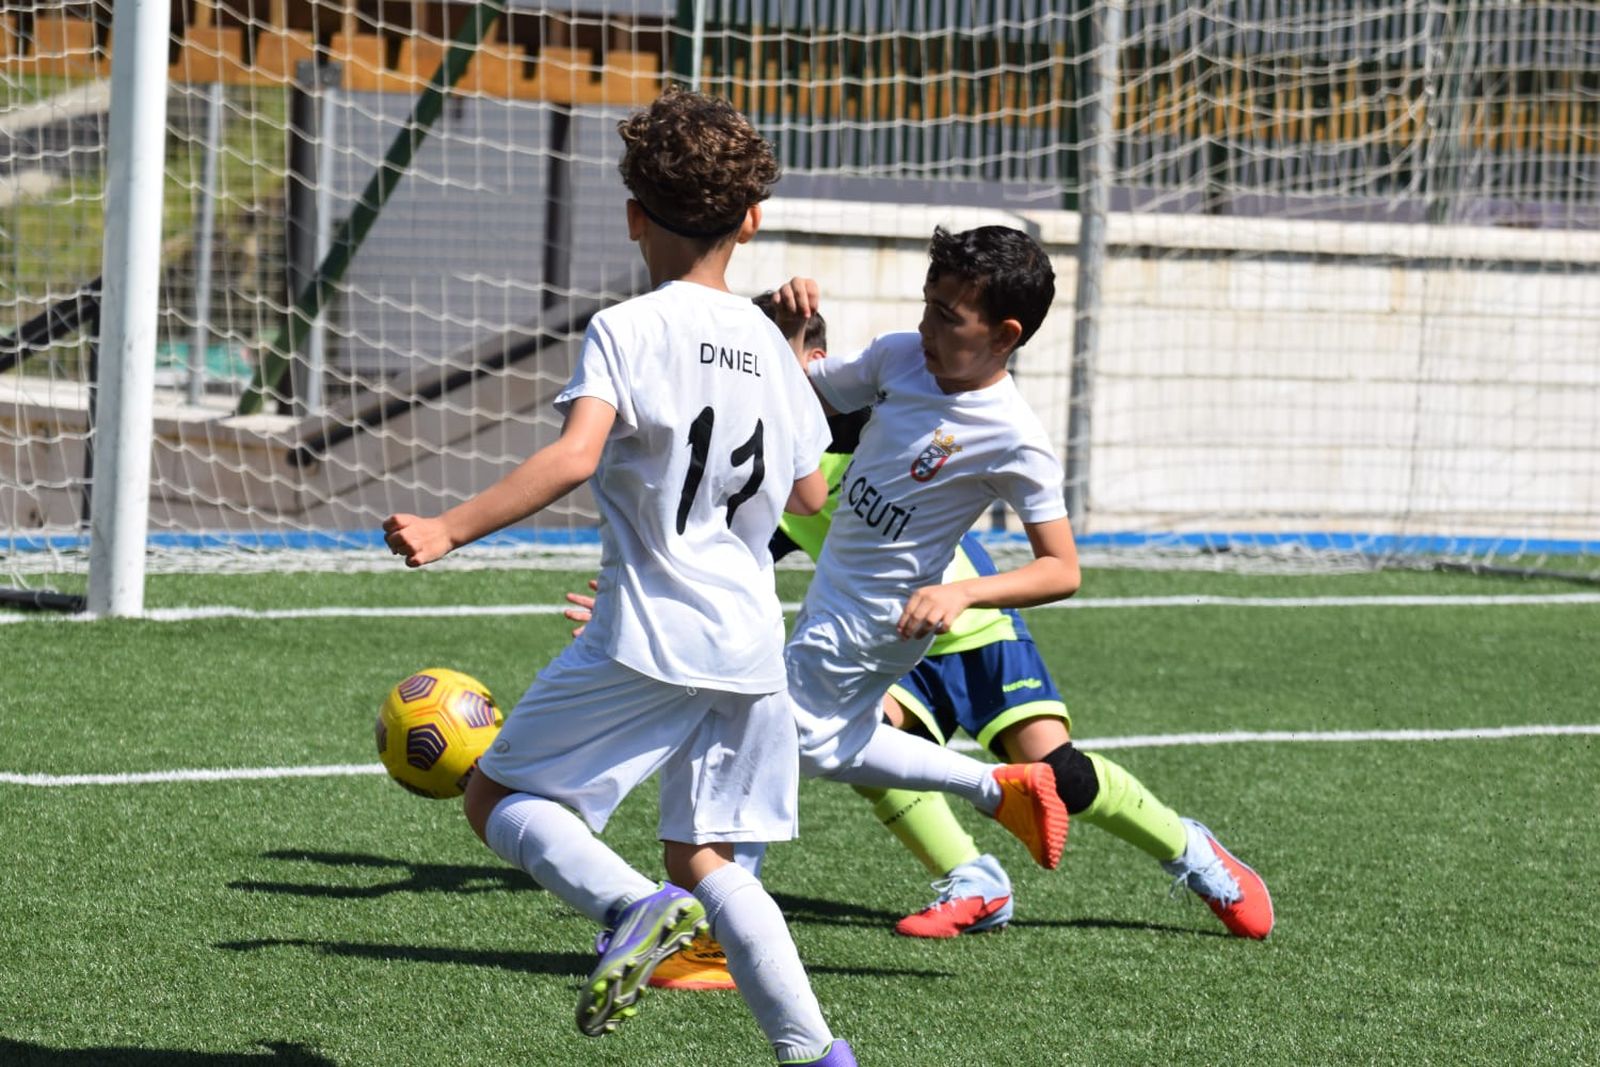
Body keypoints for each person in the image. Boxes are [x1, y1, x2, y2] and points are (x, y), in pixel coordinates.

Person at [382, 88, 857, 1067]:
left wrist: (447, 527)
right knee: (711, 857)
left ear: (634, 214)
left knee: (494, 794)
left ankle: (631, 907)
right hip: (750, 643)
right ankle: (818, 1055)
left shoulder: (630, 327)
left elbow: (572, 456)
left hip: (650, 629)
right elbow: (810, 493)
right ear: (752, 219)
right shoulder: (772, 347)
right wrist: (800, 358)